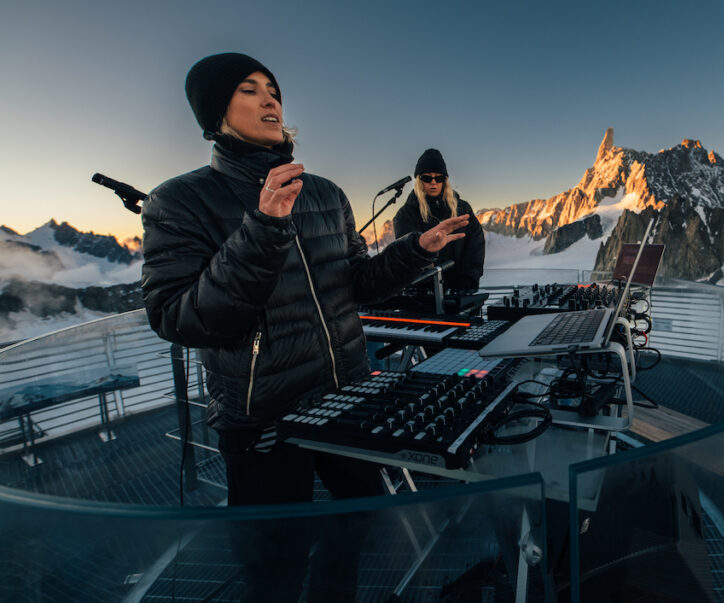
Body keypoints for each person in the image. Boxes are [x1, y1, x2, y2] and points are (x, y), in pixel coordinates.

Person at [140, 52, 468, 602]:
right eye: (250, 90)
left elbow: (356, 284)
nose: (271, 99)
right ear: (214, 112)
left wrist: (414, 251)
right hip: (264, 415)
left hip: (346, 396)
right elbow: (180, 317)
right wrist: (263, 227)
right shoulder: (178, 201)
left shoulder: (324, 192)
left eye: (274, 89)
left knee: (359, 522)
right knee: (274, 561)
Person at [392, 148, 485, 293]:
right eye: (427, 178)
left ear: (445, 181)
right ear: (419, 180)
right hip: (423, 297)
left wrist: (469, 279)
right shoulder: (406, 214)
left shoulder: (463, 209)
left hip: (462, 293)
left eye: (439, 178)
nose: (433, 183)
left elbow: (476, 244)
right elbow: (407, 254)